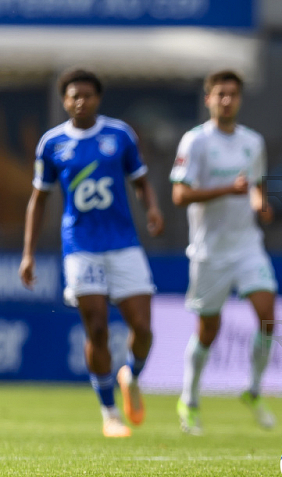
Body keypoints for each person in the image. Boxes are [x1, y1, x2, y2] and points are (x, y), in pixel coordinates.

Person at [19, 68, 164, 438]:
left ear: (98, 98)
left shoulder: (119, 135)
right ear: (64, 100)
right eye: (73, 95)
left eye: (87, 95)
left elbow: (141, 180)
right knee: (96, 328)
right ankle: (110, 413)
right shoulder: (52, 144)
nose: (80, 101)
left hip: (124, 244)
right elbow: (39, 199)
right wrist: (28, 253)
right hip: (81, 247)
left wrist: (151, 208)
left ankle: (130, 373)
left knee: (143, 328)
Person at [171, 70, 277, 435]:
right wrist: (226, 189)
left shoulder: (253, 142)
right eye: (220, 94)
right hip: (209, 251)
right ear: (208, 99)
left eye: (233, 94)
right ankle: (190, 397)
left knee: (267, 316)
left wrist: (261, 204)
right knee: (208, 329)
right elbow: (180, 195)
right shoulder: (195, 141)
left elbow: (255, 186)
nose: (227, 100)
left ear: (240, 99)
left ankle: (252, 389)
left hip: (247, 245)